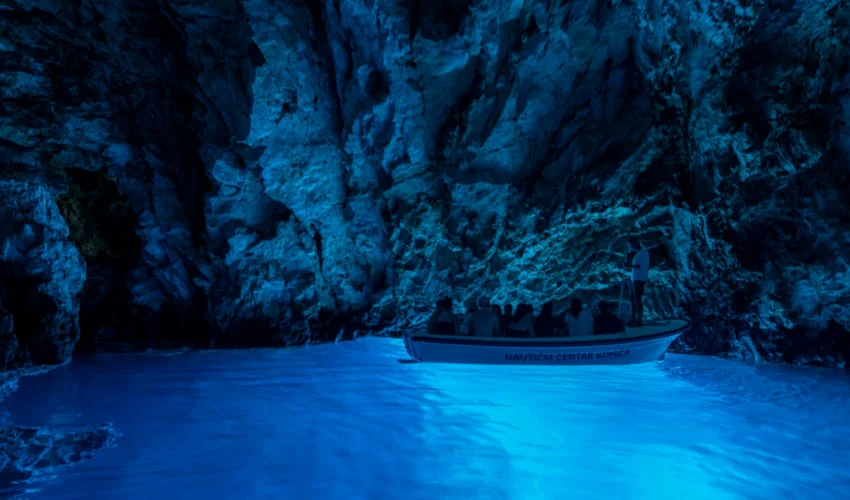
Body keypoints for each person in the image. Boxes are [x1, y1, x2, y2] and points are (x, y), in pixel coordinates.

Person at [624, 238, 649, 326]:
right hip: (635, 279)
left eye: (631, 245)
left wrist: (628, 266)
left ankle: (639, 320)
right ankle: (634, 318)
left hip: (639, 279)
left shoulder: (643, 253)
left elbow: (640, 266)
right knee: (633, 298)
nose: (631, 247)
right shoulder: (638, 253)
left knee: (637, 299)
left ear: (636, 243)